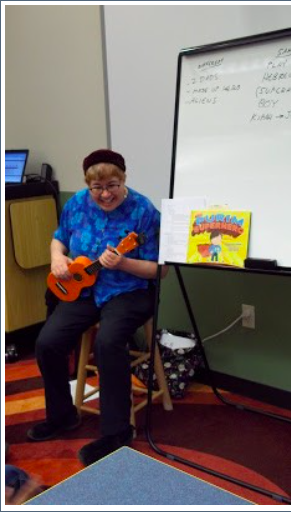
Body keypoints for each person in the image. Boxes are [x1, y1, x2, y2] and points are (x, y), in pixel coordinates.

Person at [27, 149, 167, 466]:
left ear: (124, 179)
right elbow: (58, 238)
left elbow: (161, 270)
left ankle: (116, 431)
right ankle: (62, 416)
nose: (105, 194)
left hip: (129, 291)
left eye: (112, 185)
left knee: (108, 342)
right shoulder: (77, 203)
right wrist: (57, 258)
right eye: (97, 188)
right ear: (88, 185)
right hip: (84, 290)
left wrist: (124, 262)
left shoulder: (144, 211)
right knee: (48, 343)